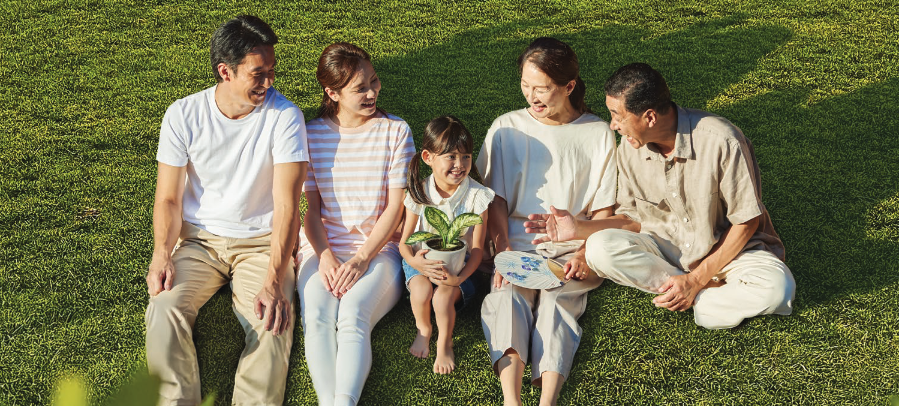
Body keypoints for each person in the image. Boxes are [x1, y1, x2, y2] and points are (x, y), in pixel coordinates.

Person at [526, 62, 796, 330]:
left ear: (650, 117)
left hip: (729, 252)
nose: (613, 126)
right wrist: (579, 228)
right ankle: (695, 291)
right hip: (665, 250)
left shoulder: (723, 141)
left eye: (618, 116)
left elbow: (746, 221)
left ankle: (695, 294)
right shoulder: (630, 150)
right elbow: (632, 219)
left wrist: (698, 277)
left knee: (777, 288)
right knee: (599, 248)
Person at [144, 15, 308, 405]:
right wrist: (162, 254)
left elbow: (287, 203)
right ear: (225, 71)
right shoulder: (183, 115)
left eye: (272, 70)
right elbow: (168, 198)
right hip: (199, 241)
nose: (269, 82)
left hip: (262, 243)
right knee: (164, 307)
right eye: (258, 74)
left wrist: (273, 276)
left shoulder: (285, 117)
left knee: (272, 322)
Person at [478, 38, 618, 406]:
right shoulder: (507, 127)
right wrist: (503, 252)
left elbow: (603, 210)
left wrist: (586, 253)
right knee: (507, 298)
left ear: (569, 86)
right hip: (516, 241)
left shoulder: (598, 133)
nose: (531, 97)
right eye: (525, 86)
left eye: (541, 89)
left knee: (557, 306)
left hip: (571, 247)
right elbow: (495, 198)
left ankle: (548, 400)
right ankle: (512, 399)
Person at [297, 42, 415, 406]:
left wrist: (362, 258)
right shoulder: (310, 133)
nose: (372, 93)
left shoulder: (396, 131)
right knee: (316, 317)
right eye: (360, 88)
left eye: (374, 82)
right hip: (321, 247)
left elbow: (396, 208)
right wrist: (326, 257)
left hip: (379, 249)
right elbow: (311, 210)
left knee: (352, 315)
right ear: (332, 93)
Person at [399, 115, 494, 374]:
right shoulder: (419, 192)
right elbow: (405, 243)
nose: (459, 164)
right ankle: (424, 329)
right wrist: (415, 262)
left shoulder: (477, 196)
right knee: (420, 292)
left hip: (458, 269)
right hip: (422, 264)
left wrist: (458, 277)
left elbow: (476, 248)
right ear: (428, 157)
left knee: (442, 299)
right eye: (450, 157)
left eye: (465, 156)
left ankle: (445, 343)